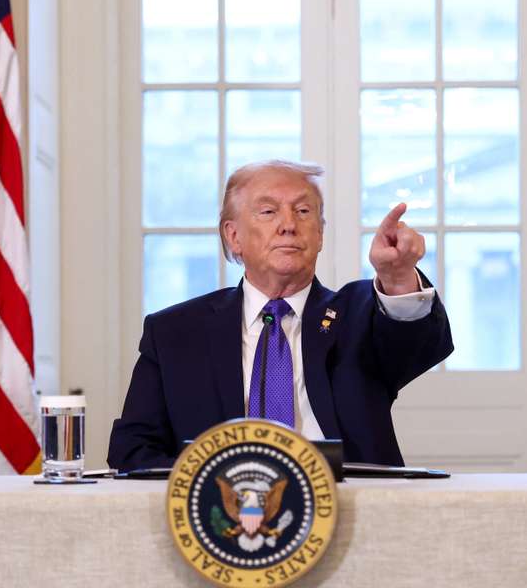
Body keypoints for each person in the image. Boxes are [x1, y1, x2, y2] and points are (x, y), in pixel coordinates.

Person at [108, 160, 454, 470]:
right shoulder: (175, 332)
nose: (289, 224)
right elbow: (132, 450)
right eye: (268, 211)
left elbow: (414, 343)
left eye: (303, 211)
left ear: (320, 234)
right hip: (224, 509)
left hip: (349, 505)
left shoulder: (359, 315)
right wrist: (210, 482)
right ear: (233, 236)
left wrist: (397, 277)